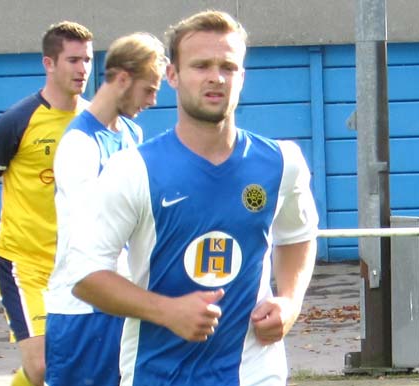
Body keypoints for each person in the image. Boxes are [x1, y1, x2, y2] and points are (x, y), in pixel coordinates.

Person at [67, 10, 319, 386]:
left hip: (253, 371)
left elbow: (297, 237)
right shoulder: (133, 170)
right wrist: (166, 311)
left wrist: (290, 302)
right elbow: (84, 274)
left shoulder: (282, 163)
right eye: (201, 65)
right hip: (157, 373)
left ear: (242, 77)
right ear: (172, 75)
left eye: (228, 67)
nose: (216, 77)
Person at [44, 32, 167, 386]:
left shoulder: (132, 134)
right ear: (123, 79)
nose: (154, 100)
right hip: (82, 310)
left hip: (123, 302)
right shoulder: (79, 144)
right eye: (149, 89)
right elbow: (91, 237)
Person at [0, 21, 93, 386]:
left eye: (87, 59)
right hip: (26, 265)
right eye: (73, 60)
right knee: (43, 366)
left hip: (82, 265)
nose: (83, 69)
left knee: (83, 364)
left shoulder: (95, 121)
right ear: (48, 63)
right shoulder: (16, 121)